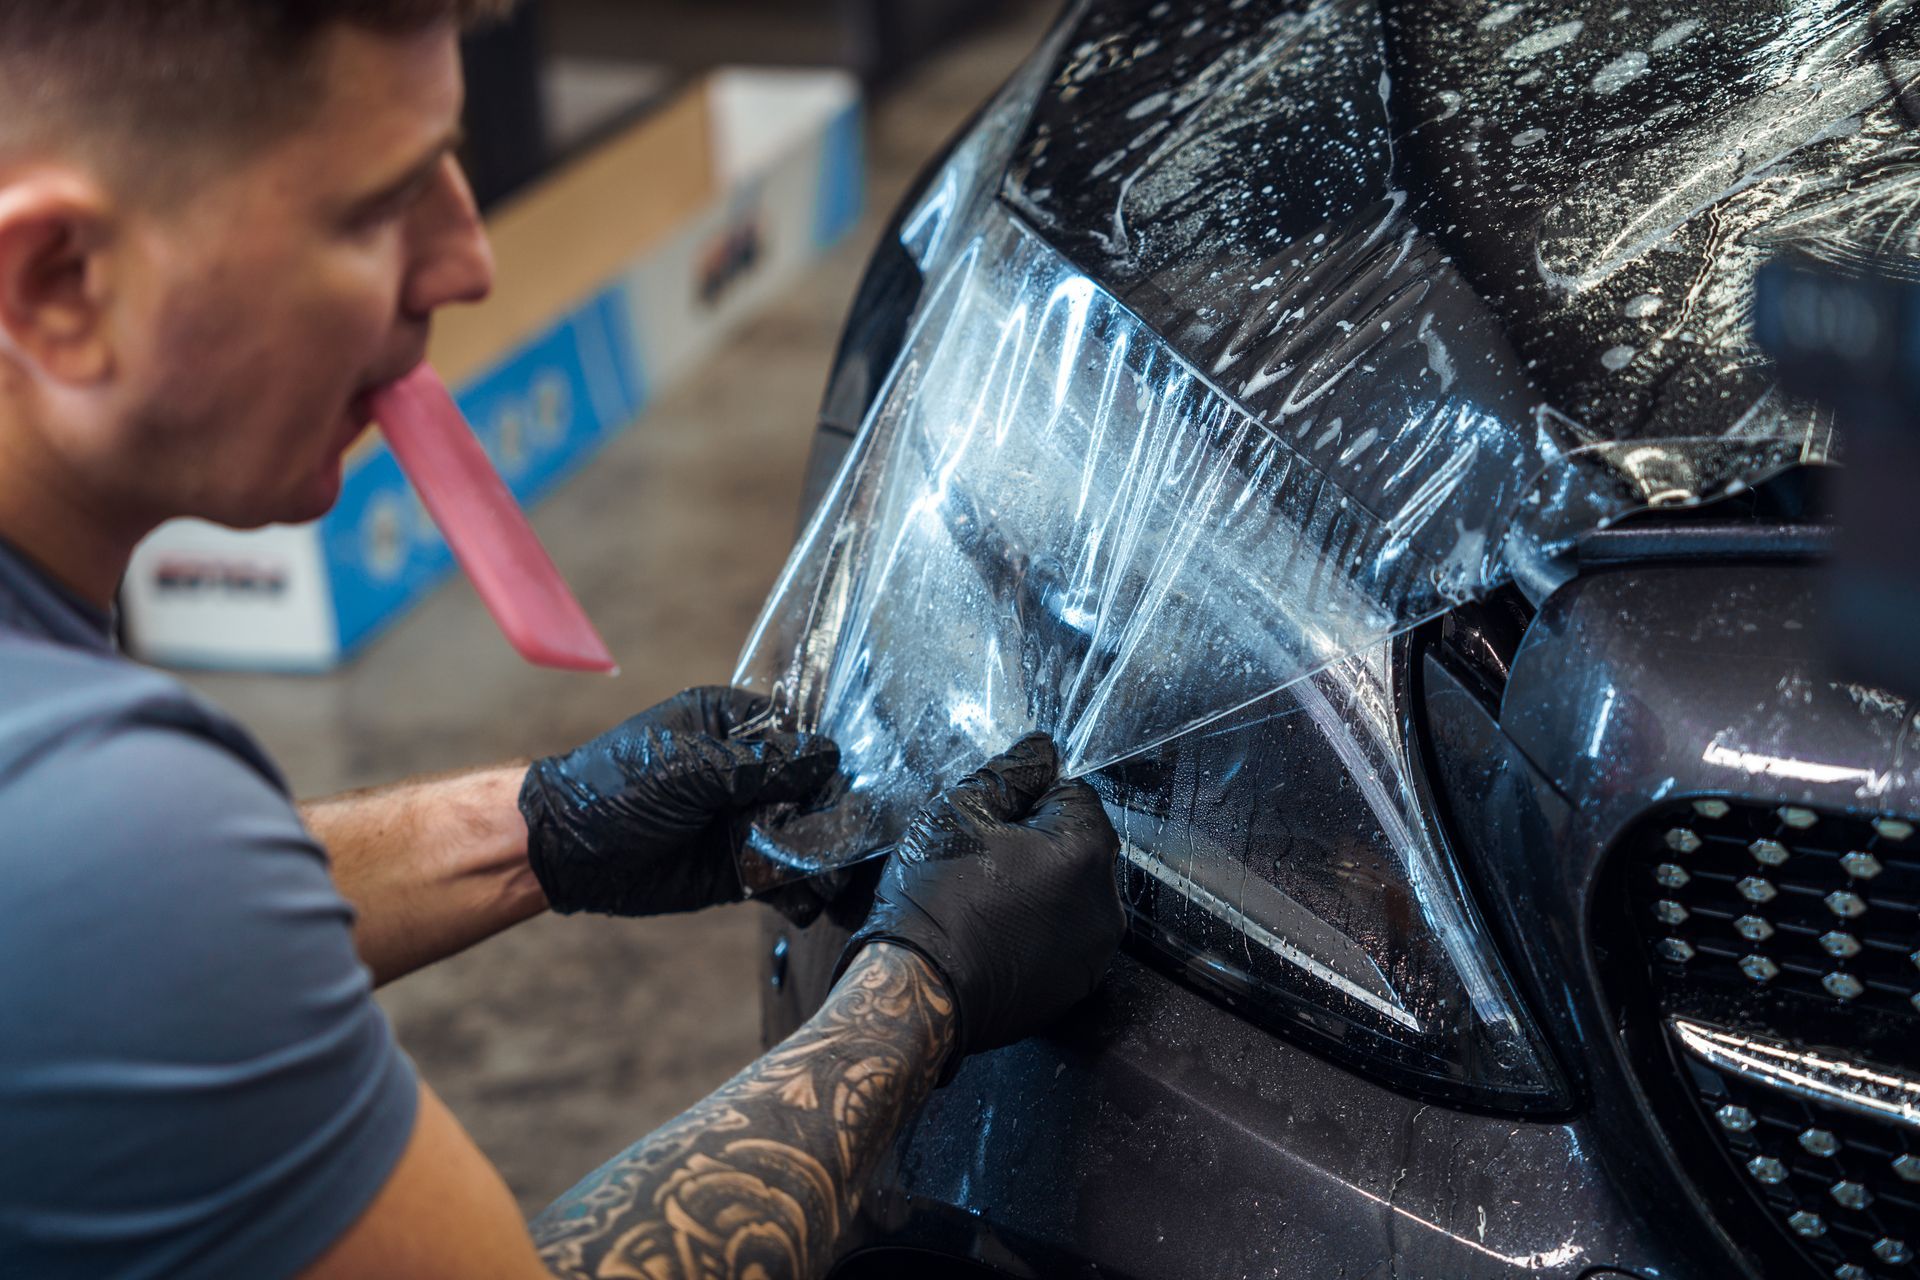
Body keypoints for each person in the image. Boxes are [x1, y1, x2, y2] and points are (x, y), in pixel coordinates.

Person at [0, 5, 1126, 1279]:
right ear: (59, 283)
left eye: (448, 166)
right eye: (371, 210)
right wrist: (916, 986)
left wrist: (538, 828)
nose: (466, 262)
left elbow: (119, 942)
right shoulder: (89, 822)